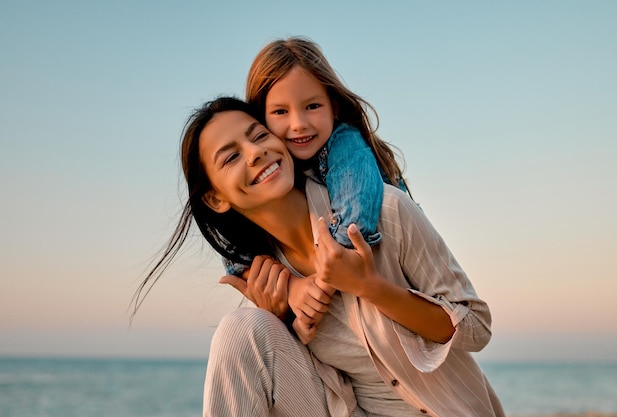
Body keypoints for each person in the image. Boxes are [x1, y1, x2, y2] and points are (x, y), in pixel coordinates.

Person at [134, 96, 505, 416]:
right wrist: (281, 319)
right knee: (241, 329)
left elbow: (476, 328)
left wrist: (370, 287)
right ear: (216, 198)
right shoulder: (269, 280)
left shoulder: (385, 212)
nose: (256, 152)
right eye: (231, 157)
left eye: (259, 135)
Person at [223, 36, 410, 277]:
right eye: (281, 111)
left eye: (312, 106)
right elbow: (234, 245)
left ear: (334, 107)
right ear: (261, 119)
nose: (299, 124)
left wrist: (323, 276)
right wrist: (284, 286)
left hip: (396, 264)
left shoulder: (345, 143)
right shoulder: (269, 171)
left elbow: (355, 222)